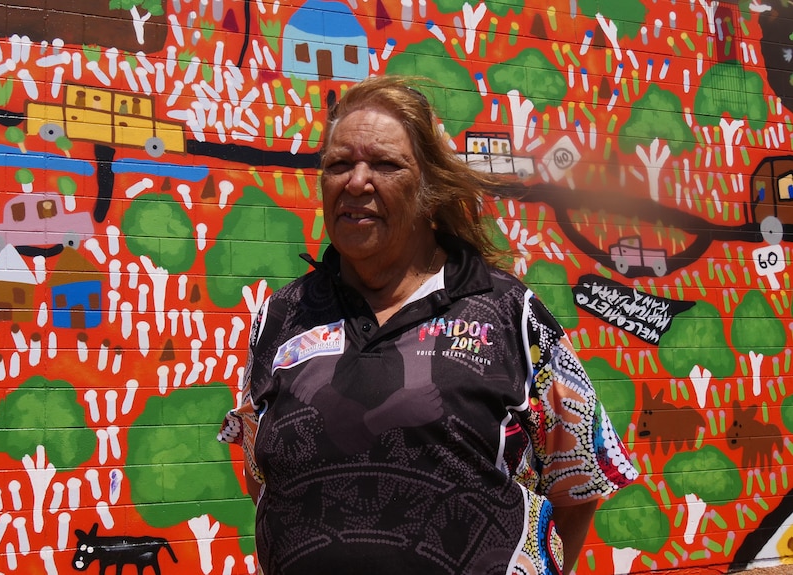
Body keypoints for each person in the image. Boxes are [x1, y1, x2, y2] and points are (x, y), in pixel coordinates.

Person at [219, 75, 637, 575]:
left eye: (385, 163)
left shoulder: (508, 313)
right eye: (338, 164)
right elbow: (261, 476)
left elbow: (579, 482)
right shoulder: (281, 317)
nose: (356, 181)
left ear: (429, 188)